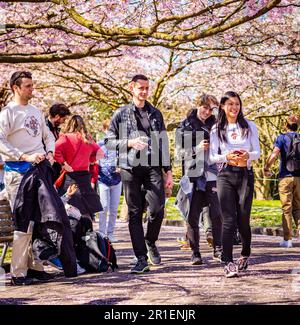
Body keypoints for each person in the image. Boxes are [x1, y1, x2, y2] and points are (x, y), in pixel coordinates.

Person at [0, 71, 76, 285]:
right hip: (18, 173)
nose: (32, 89)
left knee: (41, 220)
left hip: (40, 171)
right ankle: (18, 273)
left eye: (32, 85)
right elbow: (0, 141)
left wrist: (50, 153)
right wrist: (23, 155)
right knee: (23, 222)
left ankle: (35, 267)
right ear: (16, 87)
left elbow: (48, 136)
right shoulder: (7, 113)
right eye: (28, 86)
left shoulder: (35, 111)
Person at [105, 74, 173, 274]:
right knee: (134, 213)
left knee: (157, 208)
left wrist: (168, 171)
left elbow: (163, 142)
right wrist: (129, 143)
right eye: (140, 88)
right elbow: (109, 141)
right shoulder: (121, 114)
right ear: (131, 88)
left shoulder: (155, 113)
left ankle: (150, 241)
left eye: (146, 88)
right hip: (129, 167)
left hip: (152, 166)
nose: (144, 91)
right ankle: (141, 258)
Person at [210, 91, 260, 278]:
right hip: (225, 175)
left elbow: (257, 151)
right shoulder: (217, 129)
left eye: (237, 104)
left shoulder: (250, 126)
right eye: (230, 104)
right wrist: (226, 156)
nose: (234, 108)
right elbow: (212, 156)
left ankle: (245, 253)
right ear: (223, 106)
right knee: (228, 220)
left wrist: (248, 155)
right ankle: (228, 261)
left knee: (243, 219)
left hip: (245, 175)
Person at [176, 94, 223, 265]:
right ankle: (195, 253)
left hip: (212, 174)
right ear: (198, 105)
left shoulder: (217, 125)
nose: (207, 112)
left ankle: (218, 248)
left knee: (216, 213)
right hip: (193, 174)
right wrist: (196, 148)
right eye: (205, 107)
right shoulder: (185, 125)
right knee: (192, 215)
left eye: (211, 109)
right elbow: (179, 153)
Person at [54, 114, 104, 219]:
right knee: (86, 210)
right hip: (85, 177)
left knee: (70, 210)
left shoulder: (65, 137)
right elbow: (101, 153)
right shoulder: (88, 138)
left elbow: (54, 151)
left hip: (70, 177)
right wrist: (90, 160)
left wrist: (63, 163)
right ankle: (87, 233)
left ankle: (72, 234)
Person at [264, 114, 300, 248]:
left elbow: (274, 154)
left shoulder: (282, 138)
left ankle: (287, 239)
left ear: (285, 125)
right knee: (298, 208)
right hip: (299, 178)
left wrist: (266, 167)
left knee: (287, 209)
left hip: (285, 177)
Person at [98, 119, 122, 243]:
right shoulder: (100, 145)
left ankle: (111, 233)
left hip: (117, 180)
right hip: (102, 179)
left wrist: (121, 167)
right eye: (109, 130)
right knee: (103, 206)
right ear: (105, 130)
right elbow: (93, 160)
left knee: (113, 209)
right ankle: (101, 232)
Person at [45, 103, 71, 180]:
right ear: (57, 117)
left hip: (54, 168)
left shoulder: (55, 129)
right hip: (46, 167)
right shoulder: (44, 128)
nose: (63, 122)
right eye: (63, 119)